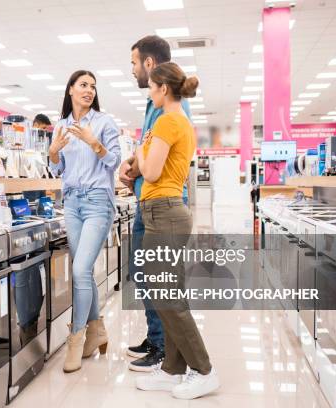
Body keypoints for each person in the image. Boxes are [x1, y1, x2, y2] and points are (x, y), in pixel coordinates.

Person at [134, 61, 219, 399]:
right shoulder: (178, 121)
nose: (149, 92)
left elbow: (151, 172)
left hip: (164, 212)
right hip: (165, 211)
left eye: (151, 87)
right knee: (167, 295)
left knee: (167, 297)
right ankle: (173, 368)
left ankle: (204, 369)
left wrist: (140, 151)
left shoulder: (169, 121)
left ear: (163, 88)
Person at [119, 35, 192, 372]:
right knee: (147, 275)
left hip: (162, 204)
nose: (133, 70)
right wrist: (133, 166)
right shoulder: (157, 106)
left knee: (160, 282)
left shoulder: (169, 111)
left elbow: (152, 164)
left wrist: (135, 164)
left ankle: (167, 350)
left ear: (150, 65)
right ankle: (158, 340)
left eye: (135, 63)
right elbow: (146, 152)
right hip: (151, 201)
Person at [48, 70, 121, 373]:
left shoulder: (104, 123)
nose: (89, 90)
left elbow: (114, 161)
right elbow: (57, 170)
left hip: (97, 203)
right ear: (70, 91)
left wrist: (95, 143)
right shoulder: (61, 127)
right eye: (83, 85)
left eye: (92, 86)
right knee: (84, 271)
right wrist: (52, 152)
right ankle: (98, 331)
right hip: (72, 204)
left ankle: (75, 340)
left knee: (79, 270)